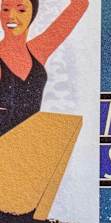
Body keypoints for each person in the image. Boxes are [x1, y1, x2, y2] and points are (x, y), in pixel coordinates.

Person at [0, 0, 88, 135]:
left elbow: (80, 4)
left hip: (30, 141)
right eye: (5, 9)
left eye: (21, 10)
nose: (11, 16)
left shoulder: (38, 50)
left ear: (32, 14)